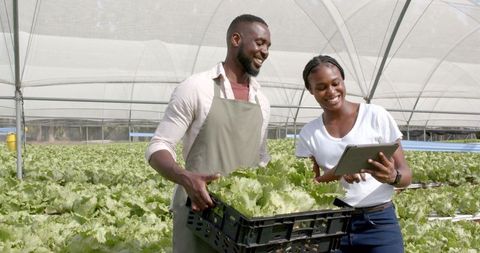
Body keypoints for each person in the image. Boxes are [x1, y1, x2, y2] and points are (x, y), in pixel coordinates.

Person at [145, 14, 271, 253]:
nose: (265, 51)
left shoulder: (261, 100)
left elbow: (261, 158)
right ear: (236, 39)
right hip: (199, 215)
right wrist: (184, 177)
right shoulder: (196, 87)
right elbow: (158, 146)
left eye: (268, 46)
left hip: (243, 224)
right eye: (260, 42)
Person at [295, 55, 412, 253]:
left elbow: (406, 176)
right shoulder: (309, 133)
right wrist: (338, 172)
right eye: (321, 87)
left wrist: (393, 176)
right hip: (331, 225)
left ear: (343, 80)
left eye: (335, 83)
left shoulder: (376, 116)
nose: (331, 91)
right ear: (310, 90)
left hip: (379, 223)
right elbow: (306, 189)